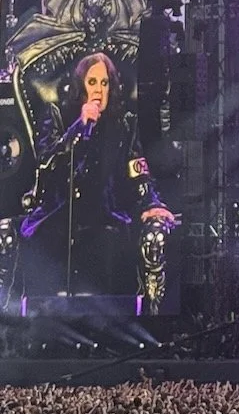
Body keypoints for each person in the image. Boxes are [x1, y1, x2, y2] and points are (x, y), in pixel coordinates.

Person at [0, 52, 178, 314]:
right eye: (92, 82)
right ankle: (12, 326)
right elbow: (47, 166)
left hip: (104, 216)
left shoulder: (125, 124)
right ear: (81, 86)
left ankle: (143, 325)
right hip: (56, 215)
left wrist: (152, 203)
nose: (99, 90)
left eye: (104, 83)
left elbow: (138, 172)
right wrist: (80, 129)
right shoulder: (58, 116)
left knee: (124, 242)